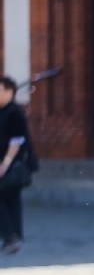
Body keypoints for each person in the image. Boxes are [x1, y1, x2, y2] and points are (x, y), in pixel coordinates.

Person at [0, 77, 36, 255]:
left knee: (8, 198)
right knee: (10, 199)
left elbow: (16, 142)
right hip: (9, 165)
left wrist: (4, 164)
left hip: (12, 165)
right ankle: (15, 238)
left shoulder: (14, 113)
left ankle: (11, 236)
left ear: (9, 91)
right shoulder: (4, 111)